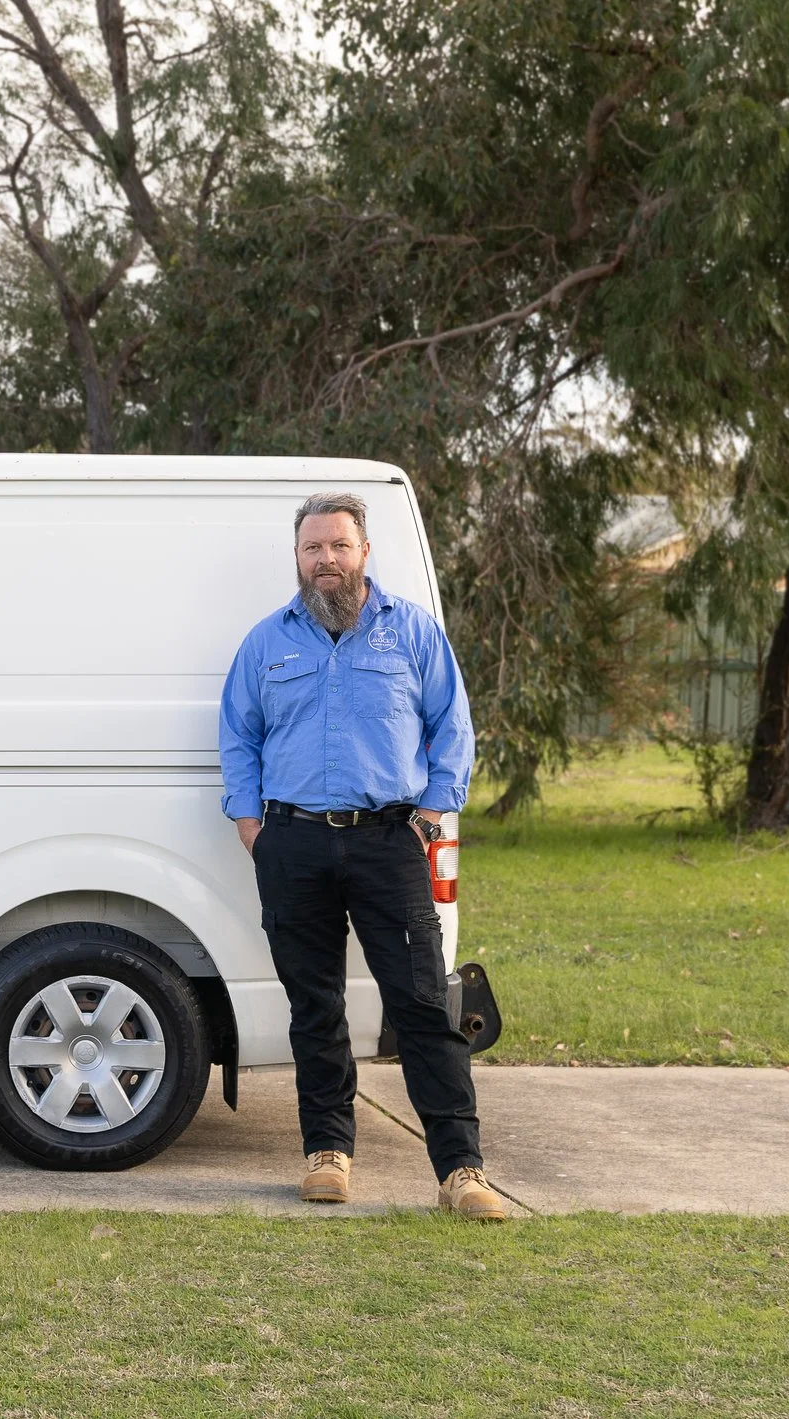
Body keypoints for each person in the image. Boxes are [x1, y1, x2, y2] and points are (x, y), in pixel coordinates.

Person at [217, 491, 506, 1220]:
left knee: (421, 1003)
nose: (326, 561)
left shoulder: (411, 633)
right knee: (315, 1006)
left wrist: (434, 813)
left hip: (390, 841)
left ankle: (461, 1170)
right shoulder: (267, 643)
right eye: (313, 548)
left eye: (339, 546)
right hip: (294, 843)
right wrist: (256, 829)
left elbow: (454, 726)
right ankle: (327, 1152)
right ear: (297, 557)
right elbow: (238, 737)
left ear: (364, 552)